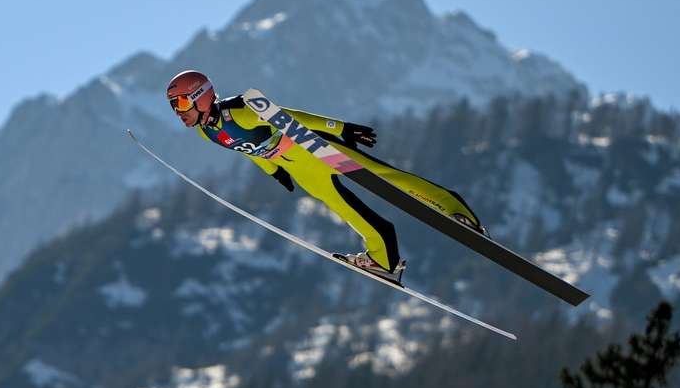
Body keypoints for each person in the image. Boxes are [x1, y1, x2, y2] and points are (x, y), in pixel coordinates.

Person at [166, 70, 487, 284]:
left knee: (383, 176)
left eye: (181, 103)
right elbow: (245, 149)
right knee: (344, 207)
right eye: (173, 107)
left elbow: (290, 117)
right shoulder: (206, 133)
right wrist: (274, 171)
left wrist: (341, 128)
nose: (179, 112)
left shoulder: (240, 107)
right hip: (295, 165)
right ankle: (384, 259)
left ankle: (453, 209)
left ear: (201, 95)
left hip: (311, 146)